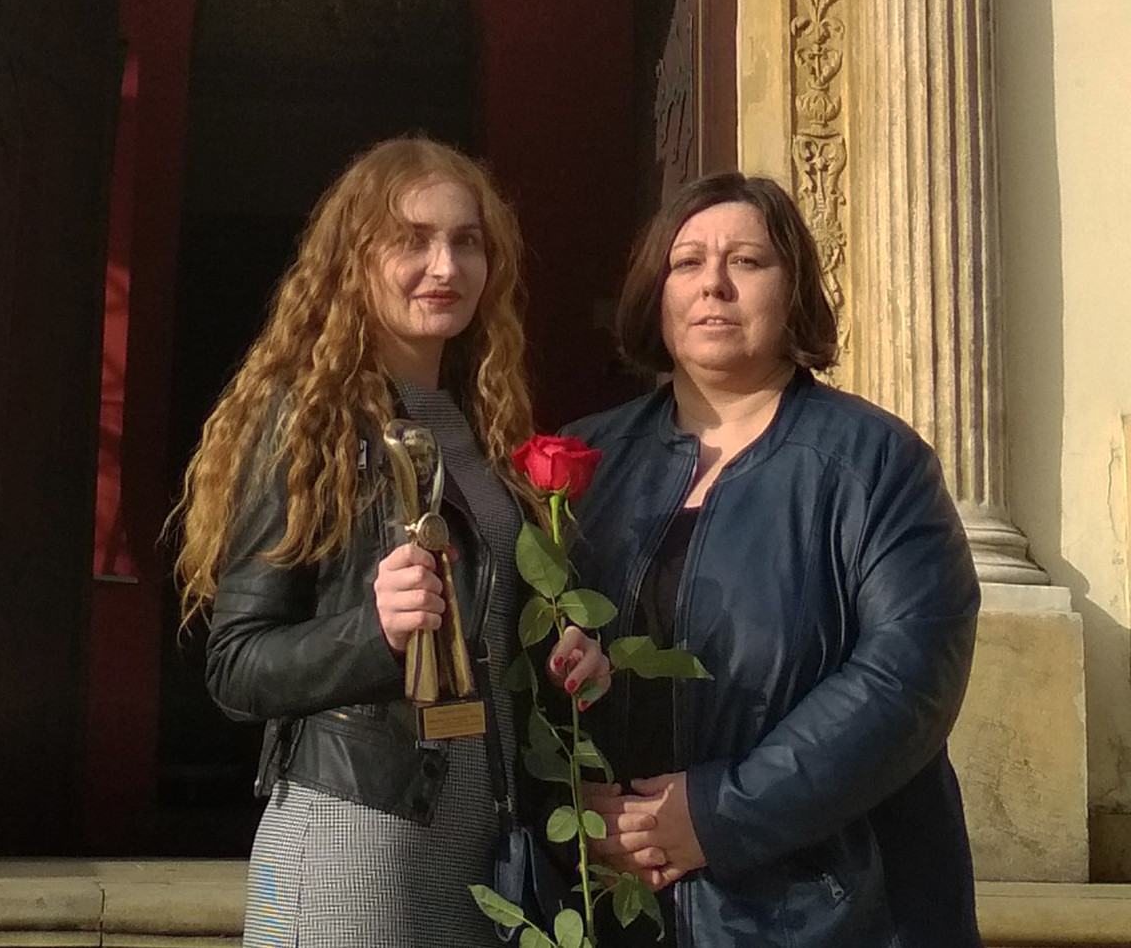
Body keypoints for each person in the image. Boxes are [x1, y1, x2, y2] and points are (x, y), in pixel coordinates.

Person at [172, 137, 606, 947]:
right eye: (413, 240)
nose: (445, 266)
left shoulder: (484, 430)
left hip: (481, 847)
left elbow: (483, 636)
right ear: (354, 259)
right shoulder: (307, 422)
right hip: (349, 842)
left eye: (467, 242)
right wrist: (375, 632)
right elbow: (236, 665)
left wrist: (562, 653)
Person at [563, 172, 981, 948]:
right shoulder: (585, 462)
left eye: (747, 262)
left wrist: (718, 814)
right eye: (687, 262)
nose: (713, 285)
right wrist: (565, 795)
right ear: (656, 290)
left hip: (822, 911)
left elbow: (908, 679)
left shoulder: (876, 463)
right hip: (611, 903)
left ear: (793, 290)